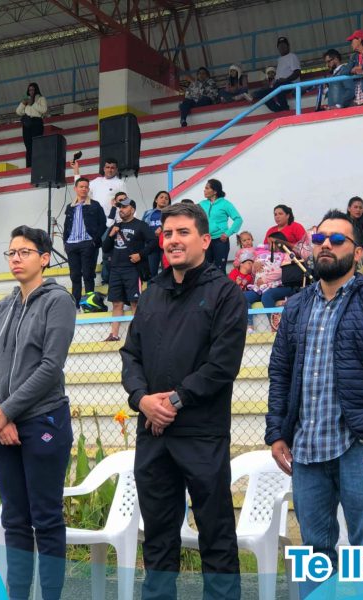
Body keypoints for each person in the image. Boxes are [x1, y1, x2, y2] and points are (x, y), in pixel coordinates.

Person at [266, 210, 363, 592]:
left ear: (358, 253)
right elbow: (279, 373)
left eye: (337, 240)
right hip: (307, 449)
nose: (325, 245)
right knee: (315, 552)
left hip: (359, 446)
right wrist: (276, 433)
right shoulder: (296, 306)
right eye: (319, 240)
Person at [120, 202, 247, 600]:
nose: (173, 240)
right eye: (168, 233)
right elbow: (131, 356)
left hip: (201, 434)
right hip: (152, 434)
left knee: (216, 535)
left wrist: (171, 402)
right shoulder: (153, 292)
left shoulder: (225, 293)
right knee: (157, 540)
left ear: (205, 240)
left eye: (183, 233)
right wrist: (142, 401)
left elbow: (221, 366)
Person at [0, 225, 76, 600]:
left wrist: (8, 410)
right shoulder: (1, 307)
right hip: (2, 423)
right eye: (11, 253)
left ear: (45, 258)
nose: (16, 258)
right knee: (15, 520)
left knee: (46, 519)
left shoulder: (58, 301)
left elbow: (51, 366)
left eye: (25, 252)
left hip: (43, 419)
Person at [101, 197, 157, 342]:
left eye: (124, 207)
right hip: (116, 269)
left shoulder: (141, 225)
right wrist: (111, 235)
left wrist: (141, 255)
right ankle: (114, 334)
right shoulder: (116, 226)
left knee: (135, 302)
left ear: (132, 209)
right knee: (116, 303)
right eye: (120, 207)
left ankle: (139, 334)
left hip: (132, 269)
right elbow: (106, 248)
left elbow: (153, 242)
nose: (121, 210)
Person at [242, 232, 305, 333]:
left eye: (271, 243)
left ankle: (275, 326)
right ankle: (249, 326)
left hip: (280, 286)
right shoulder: (263, 255)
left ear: (279, 243)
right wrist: (255, 266)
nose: (268, 246)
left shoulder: (287, 255)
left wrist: (264, 280)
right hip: (260, 288)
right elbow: (255, 273)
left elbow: (282, 271)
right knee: (242, 297)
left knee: (267, 296)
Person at [64, 161, 107, 308]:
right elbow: (66, 226)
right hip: (72, 244)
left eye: (86, 187)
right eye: (81, 186)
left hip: (88, 243)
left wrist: (94, 241)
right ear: (75, 189)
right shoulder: (70, 207)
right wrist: (66, 242)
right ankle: (75, 304)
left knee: (88, 275)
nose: (84, 189)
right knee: (75, 276)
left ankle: (89, 303)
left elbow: (103, 224)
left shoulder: (95, 205)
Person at [94, 158, 128, 284]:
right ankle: (100, 275)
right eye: (107, 167)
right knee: (96, 248)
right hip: (97, 221)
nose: (110, 170)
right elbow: (83, 189)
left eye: (112, 167)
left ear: (116, 169)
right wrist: (76, 171)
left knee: (108, 250)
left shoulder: (120, 183)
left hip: (112, 221)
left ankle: (107, 278)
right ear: (103, 168)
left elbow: (125, 201)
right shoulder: (96, 182)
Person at [199, 178, 243, 273]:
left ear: (215, 191)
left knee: (219, 269)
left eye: (207, 188)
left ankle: (221, 288)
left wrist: (228, 233)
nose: (204, 190)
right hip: (206, 240)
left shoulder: (225, 204)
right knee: (205, 270)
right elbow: (191, 216)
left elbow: (238, 219)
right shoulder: (202, 204)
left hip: (220, 240)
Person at [252, 37, 301, 112]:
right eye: (280, 46)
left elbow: (297, 72)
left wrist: (286, 79)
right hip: (278, 84)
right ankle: (278, 110)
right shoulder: (280, 59)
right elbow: (279, 76)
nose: (282, 47)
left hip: (290, 84)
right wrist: (271, 83)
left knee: (279, 86)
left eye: (284, 45)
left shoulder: (292, 56)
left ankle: (285, 109)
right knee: (261, 93)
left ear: (288, 46)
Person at [16, 82, 48, 168]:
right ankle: (29, 166)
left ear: (36, 90)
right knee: (28, 145)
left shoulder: (41, 99)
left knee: (36, 144)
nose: (31, 91)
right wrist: (23, 103)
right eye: (29, 90)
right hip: (27, 123)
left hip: (37, 122)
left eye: (33, 89)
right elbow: (18, 112)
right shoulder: (26, 99)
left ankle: (37, 164)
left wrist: (33, 103)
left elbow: (44, 110)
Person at [143, 190, 172, 278]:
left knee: (167, 272)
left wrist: (163, 229)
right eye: (161, 197)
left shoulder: (171, 214)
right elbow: (142, 228)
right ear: (156, 200)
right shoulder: (147, 213)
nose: (164, 200)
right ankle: (151, 291)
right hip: (151, 246)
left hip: (166, 246)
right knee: (151, 273)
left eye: (166, 198)